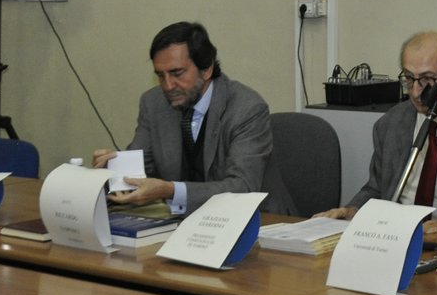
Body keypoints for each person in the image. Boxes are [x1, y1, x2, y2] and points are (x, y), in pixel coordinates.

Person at [93, 21, 291, 214]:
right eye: (161, 76)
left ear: (206, 69)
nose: (168, 85)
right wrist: (113, 170)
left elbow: (243, 187)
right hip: (185, 222)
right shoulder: (153, 103)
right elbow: (141, 171)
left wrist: (171, 190)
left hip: (258, 222)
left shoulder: (246, 108)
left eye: (177, 73)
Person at [315, 31, 437, 242]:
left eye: (427, 79)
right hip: (397, 238)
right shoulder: (390, 124)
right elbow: (376, 188)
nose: (416, 92)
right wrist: (352, 211)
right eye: (409, 79)